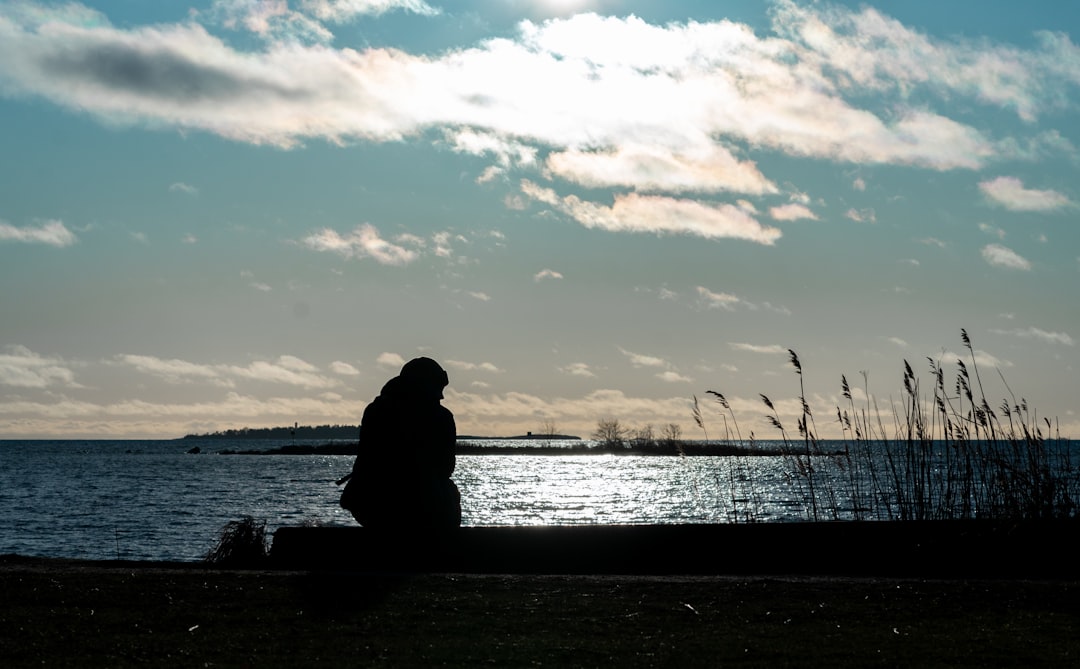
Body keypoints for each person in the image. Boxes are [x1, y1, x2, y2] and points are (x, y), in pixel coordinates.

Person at [340, 357, 461, 529]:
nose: (441, 395)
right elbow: (447, 467)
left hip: (373, 504)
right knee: (446, 492)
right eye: (438, 388)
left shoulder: (376, 410)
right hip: (423, 507)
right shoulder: (441, 417)